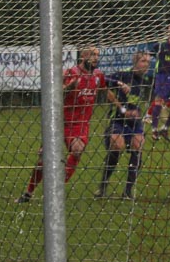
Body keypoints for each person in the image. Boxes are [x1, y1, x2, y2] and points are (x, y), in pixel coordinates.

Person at [16, 46, 120, 203]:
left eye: (97, 55)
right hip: (60, 123)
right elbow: (56, 93)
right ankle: (28, 193)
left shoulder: (98, 75)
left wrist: (121, 107)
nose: (96, 58)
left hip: (80, 124)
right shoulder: (71, 73)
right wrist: (70, 86)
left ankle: (56, 189)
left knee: (77, 149)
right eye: (92, 54)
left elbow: (105, 90)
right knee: (43, 159)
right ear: (83, 56)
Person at [99, 51, 153, 199]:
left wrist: (139, 113)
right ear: (135, 63)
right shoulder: (123, 75)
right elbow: (103, 81)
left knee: (138, 145)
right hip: (117, 119)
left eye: (148, 62)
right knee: (117, 145)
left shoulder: (146, 79)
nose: (146, 65)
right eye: (143, 61)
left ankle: (128, 191)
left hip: (134, 123)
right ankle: (103, 185)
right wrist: (119, 85)